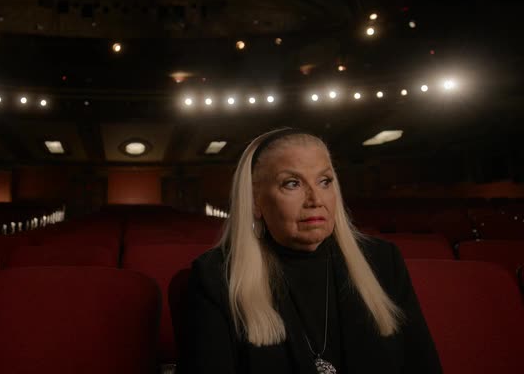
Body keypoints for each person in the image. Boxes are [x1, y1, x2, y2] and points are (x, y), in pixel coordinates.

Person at [179, 128, 442, 374]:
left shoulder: (383, 261)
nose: (316, 199)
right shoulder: (216, 277)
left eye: (325, 181)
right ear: (255, 201)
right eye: (292, 183)